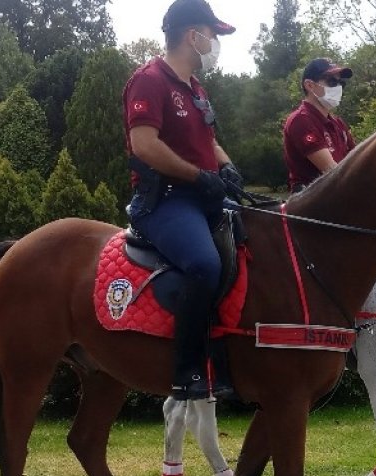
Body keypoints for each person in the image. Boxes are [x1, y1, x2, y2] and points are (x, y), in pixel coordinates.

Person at [124, 0, 243, 400]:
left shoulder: (196, 88)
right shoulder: (150, 79)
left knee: (261, 240)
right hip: (166, 201)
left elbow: (208, 140)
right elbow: (143, 145)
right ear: (193, 35)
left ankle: (236, 351)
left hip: (204, 196)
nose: (214, 42)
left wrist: (226, 168)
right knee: (204, 265)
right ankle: (187, 371)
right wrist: (198, 176)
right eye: (212, 34)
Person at [282, 58, 356, 193]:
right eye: (332, 82)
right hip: (310, 205)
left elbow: (357, 162)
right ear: (310, 85)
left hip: (337, 198)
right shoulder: (300, 120)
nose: (338, 88)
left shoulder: (338, 123)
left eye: (341, 83)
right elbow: (333, 172)